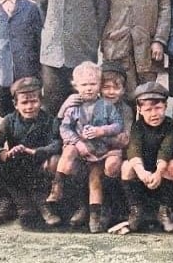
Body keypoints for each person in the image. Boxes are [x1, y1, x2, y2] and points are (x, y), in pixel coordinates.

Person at [46, 62, 125, 232]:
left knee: (95, 180)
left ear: (99, 84)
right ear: (75, 85)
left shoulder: (106, 106)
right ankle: (57, 186)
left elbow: (118, 125)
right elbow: (64, 128)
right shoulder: (73, 106)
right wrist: (77, 142)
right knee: (68, 150)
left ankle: (94, 217)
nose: (88, 89)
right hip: (79, 150)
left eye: (93, 84)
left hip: (99, 150)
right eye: (84, 85)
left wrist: (101, 131)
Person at [0, 77, 61, 228]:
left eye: (34, 101)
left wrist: (37, 151)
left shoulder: (49, 120)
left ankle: (45, 205)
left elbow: (57, 144)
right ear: (16, 104)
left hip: (38, 166)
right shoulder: (10, 120)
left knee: (56, 160)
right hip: (15, 167)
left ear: (40, 101)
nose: (29, 106)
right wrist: (5, 153)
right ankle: (6, 205)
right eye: (24, 102)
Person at [121, 82, 173, 233]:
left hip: (161, 167)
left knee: (172, 165)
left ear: (165, 106)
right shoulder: (137, 126)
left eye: (158, 108)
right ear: (139, 110)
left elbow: (166, 149)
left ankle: (165, 210)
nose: (154, 114)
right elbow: (134, 149)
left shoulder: (170, 125)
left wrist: (159, 173)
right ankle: (136, 209)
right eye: (148, 109)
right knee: (127, 167)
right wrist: (141, 172)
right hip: (144, 169)